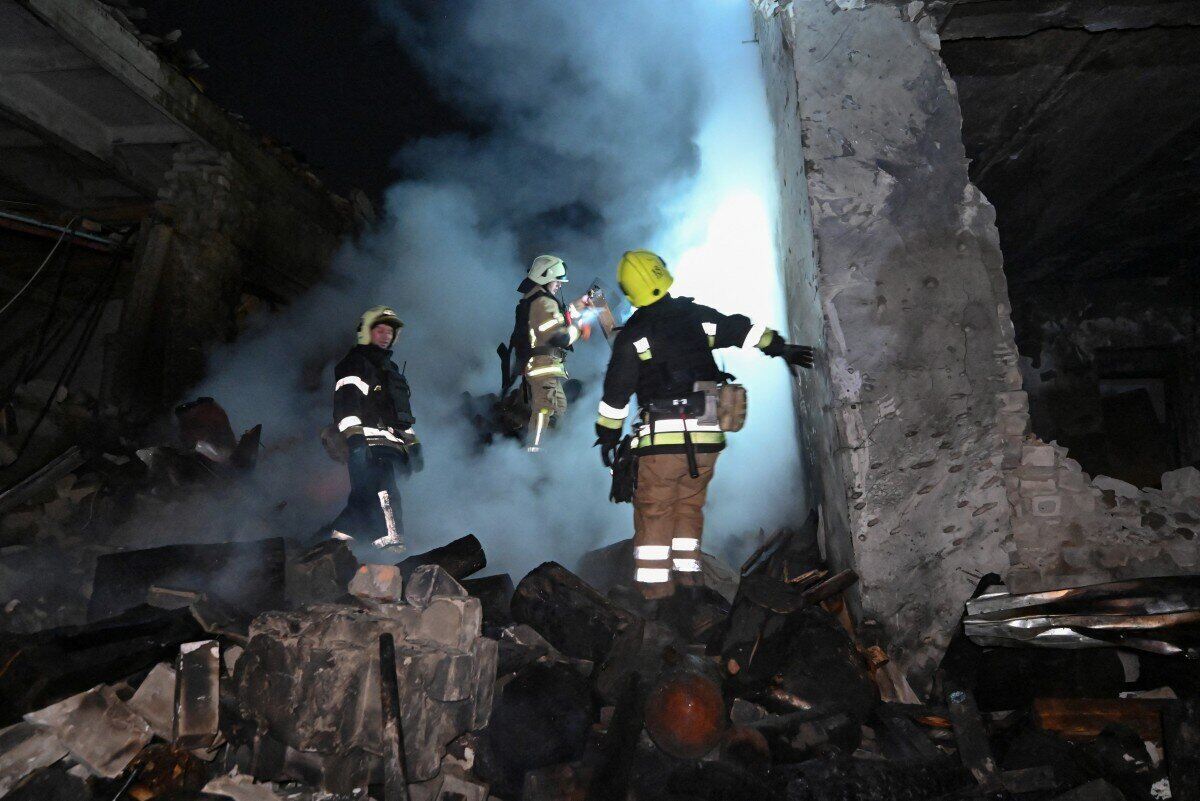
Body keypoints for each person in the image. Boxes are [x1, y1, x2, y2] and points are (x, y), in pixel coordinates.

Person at [593, 250, 815, 602]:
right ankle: (689, 585)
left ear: (630, 290)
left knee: (656, 510)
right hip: (707, 440)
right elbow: (741, 329)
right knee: (688, 507)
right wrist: (780, 347)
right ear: (662, 277)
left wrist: (607, 435)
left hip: (661, 444)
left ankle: (656, 595)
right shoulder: (694, 318)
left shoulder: (634, 336)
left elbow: (616, 394)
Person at [329, 305, 423, 550]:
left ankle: (330, 542)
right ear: (366, 332)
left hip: (392, 446)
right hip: (368, 444)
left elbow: (401, 417)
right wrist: (355, 441)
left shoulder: (391, 372)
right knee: (385, 493)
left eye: (389, 331)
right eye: (379, 330)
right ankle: (393, 549)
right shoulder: (355, 363)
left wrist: (414, 445)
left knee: (363, 499)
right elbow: (346, 405)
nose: (385, 335)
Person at [506, 254, 591, 451]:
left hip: (544, 368)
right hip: (543, 367)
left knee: (559, 409)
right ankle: (535, 452)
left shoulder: (540, 301)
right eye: (557, 281)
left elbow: (561, 316)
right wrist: (579, 330)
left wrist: (582, 303)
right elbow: (558, 337)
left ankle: (552, 450)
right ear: (545, 277)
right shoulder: (543, 303)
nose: (560, 285)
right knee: (545, 409)